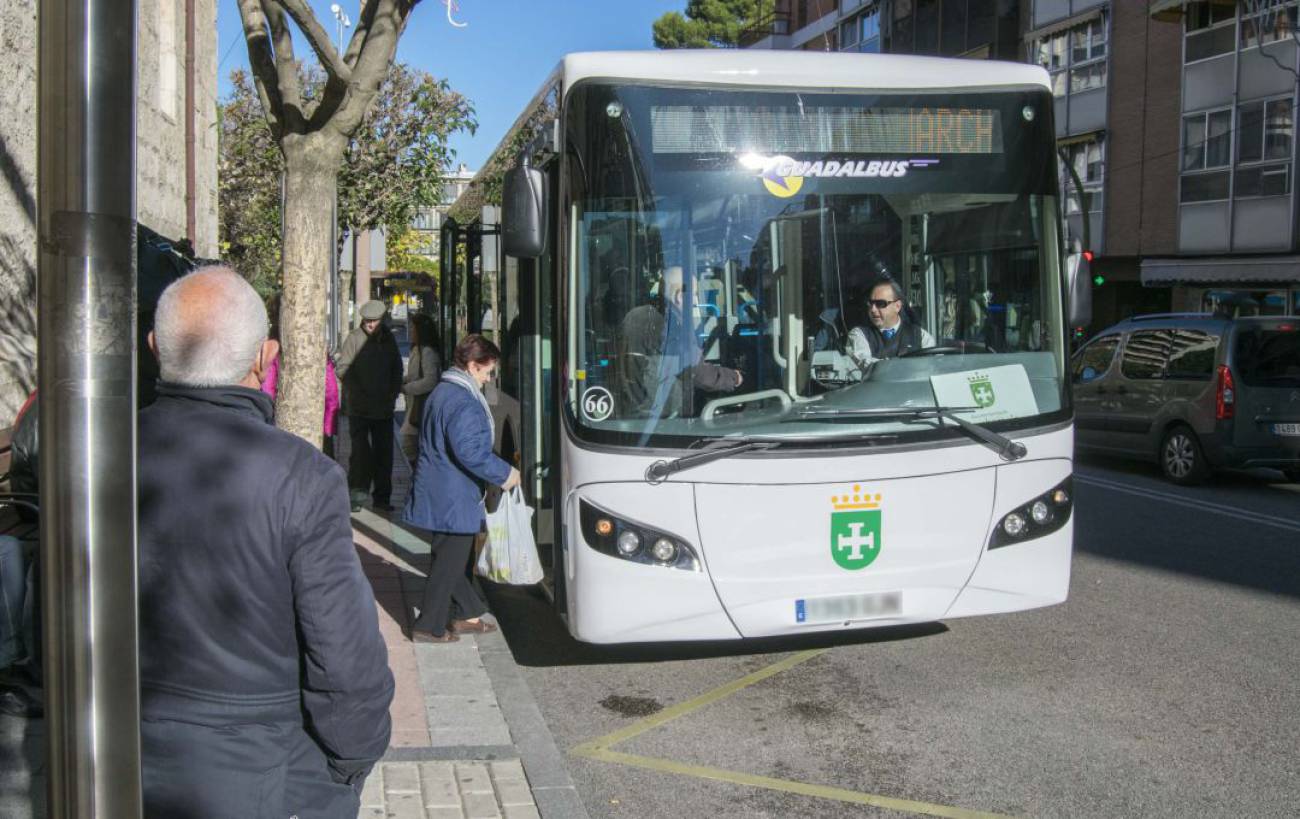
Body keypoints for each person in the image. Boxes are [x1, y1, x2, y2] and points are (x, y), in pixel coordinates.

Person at [139, 266, 394, 818]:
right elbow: (345, 655)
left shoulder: (96, 456)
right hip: (261, 767)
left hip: (113, 752)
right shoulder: (302, 477)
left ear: (156, 347)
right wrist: (347, 766)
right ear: (266, 356)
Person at [402, 334, 521, 643]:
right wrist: (505, 473)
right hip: (454, 494)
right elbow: (470, 452)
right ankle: (429, 625)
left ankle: (464, 613)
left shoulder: (443, 391)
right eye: (486, 371)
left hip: (440, 489)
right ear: (471, 366)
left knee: (450, 558)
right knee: (449, 564)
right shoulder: (463, 401)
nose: (488, 377)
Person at [615, 265, 743, 418]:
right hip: (661, 417)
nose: (696, 302)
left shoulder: (636, 315)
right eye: (695, 295)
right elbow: (697, 373)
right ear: (679, 297)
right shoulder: (670, 326)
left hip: (632, 407)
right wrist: (733, 377)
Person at [337, 300, 403, 512]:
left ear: (381, 320)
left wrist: (392, 393)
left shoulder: (389, 339)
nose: (370, 324)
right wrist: (356, 391)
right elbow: (342, 368)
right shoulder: (354, 339)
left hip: (383, 409)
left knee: (385, 455)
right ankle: (356, 497)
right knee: (360, 454)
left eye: (374, 321)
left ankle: (382, 498)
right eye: (367, 321)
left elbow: (397, 369)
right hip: (360, 409)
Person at [260, 351, 341, 457]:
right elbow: (331, 393)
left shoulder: (278, 355)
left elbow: (268, 389)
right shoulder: (320, 355)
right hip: (317, 424)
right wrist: (328, 426)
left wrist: (269, 420)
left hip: (287, 421)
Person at [847, 278, 936, 366]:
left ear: (897, 306)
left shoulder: (921, 336)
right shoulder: (859, 335)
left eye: (880, 304)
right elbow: (868, 365)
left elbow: (930, 366)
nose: (873, 309)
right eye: (870, 303)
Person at [399, 314, 442, 465]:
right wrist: (402, 381)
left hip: (422, 408)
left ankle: (419, 481)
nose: (410, 331)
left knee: (408, 445)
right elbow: (414, 375)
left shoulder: (427, 352)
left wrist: (406, 388)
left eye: (413, 328)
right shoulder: (416, 350)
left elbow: (430, 381)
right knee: (412, 447)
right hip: (414, 406)